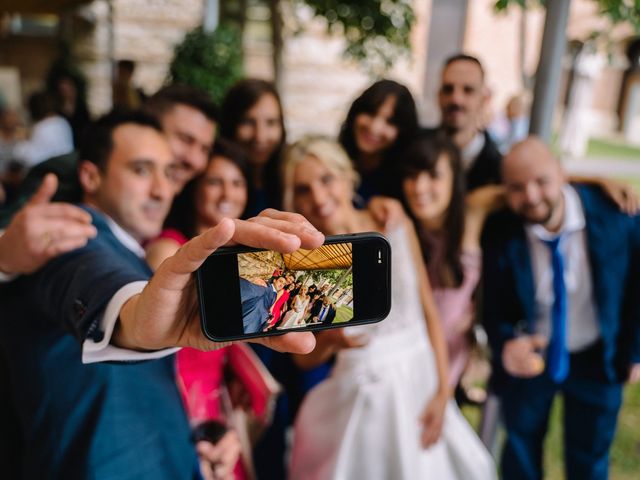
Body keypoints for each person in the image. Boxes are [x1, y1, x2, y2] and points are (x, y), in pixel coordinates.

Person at [0, 111, 323, 479]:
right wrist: (138, 319)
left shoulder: (135, 247)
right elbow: (101, 286)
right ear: (91, 175)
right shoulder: (68, 237)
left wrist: (204, 433)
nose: (160, 189)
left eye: (167, 174)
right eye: (141, 170)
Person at [282, 135, 496, 479]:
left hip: (420, 377)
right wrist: (332, 340)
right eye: (303, 189)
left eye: (326, 180)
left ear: (347, 177)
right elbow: (301, 358)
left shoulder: (393, 221)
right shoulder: (310, 259)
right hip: (361, 391)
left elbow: (428, 312)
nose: (318, 197)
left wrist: (443, 391)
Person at [481, 136, 640, 480]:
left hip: (599, 354)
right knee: (520, 452)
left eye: (541, 181)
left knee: (590, 457)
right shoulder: (500, 230)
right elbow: (492, 307)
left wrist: (636, 352)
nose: (532, 196)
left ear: (563, 174)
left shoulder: (616, 214)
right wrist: (507, 342)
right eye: (517, 188)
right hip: (534, 353)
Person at [400, 130, 503, 390]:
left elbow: (531, 185)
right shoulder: (399, 225)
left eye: (434, 176)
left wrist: (598, 179)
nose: (419, 187)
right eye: (412, 176)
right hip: (406, 354)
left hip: (450, 354)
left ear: (454, 178)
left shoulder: (471, 214)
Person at [338, 79, 419, 201]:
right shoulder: (331, 161)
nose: (374, 128)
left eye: (390, 121)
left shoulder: (407, 182)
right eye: (370, 113)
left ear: (403, 131)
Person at [221, 79, 286, 215]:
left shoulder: (289, 179)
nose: (260, 137)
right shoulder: (215, 183)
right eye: (248, 122)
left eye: (271, 122)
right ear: (230, 124)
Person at [13, 91, 74, 170]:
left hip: (49, 172)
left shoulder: (42, 127)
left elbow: (32, 159)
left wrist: (21, 143)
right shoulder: (63, 122)